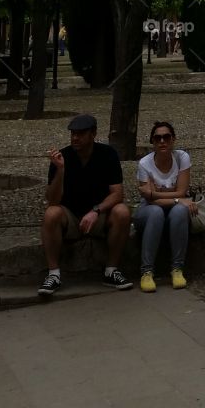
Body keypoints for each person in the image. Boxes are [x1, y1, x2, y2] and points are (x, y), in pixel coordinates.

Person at [38, 113, 132, 298]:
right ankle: (54, 274)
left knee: (122, 212)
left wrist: (96, 210)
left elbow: (117, 193)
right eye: (73, 133)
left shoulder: (107, 154)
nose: (75, 138)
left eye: (80, 133)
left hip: (98, 214)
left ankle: (111, 270)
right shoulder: (62, 157)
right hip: (70, 215)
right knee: (51, 214)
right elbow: (53, 200)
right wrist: (60, 171)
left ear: (93, 134)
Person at [134, 121, 199, 292]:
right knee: (156, 212)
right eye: (157, 138)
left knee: (179, 211)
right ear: (152, 142)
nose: (162, 141)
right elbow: (151, 201)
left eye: (166, 137)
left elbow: (182, 190)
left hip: (171, 211)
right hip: (148, 212)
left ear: (173, 139)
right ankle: (146, 271)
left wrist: (155, 193)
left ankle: (177, 269)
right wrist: (176, 197)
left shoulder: (182, 158)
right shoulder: (144, 164)